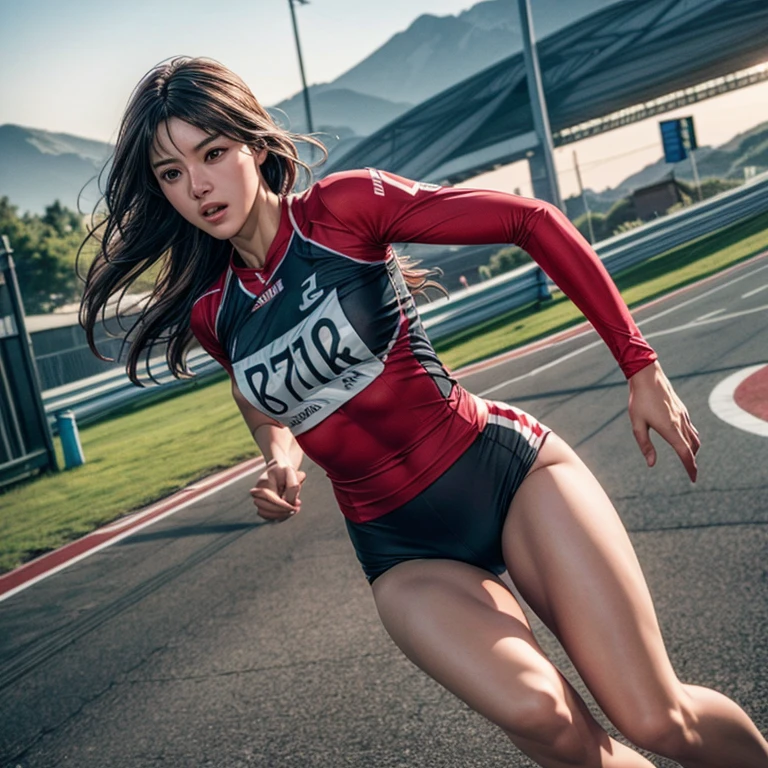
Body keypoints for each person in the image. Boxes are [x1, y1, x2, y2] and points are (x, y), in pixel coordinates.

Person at [79, 57, 768, 767]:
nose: (196, 185)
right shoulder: (212, 314)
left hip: (504, 479)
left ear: (254, 145)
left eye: (212, 153)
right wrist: (277, 455)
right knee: (548, 722)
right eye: (170, 173)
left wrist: (640, 365)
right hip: (401, 551)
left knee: (655, 719)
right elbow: (257, 397)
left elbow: (529, 219)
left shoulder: (343, 210)